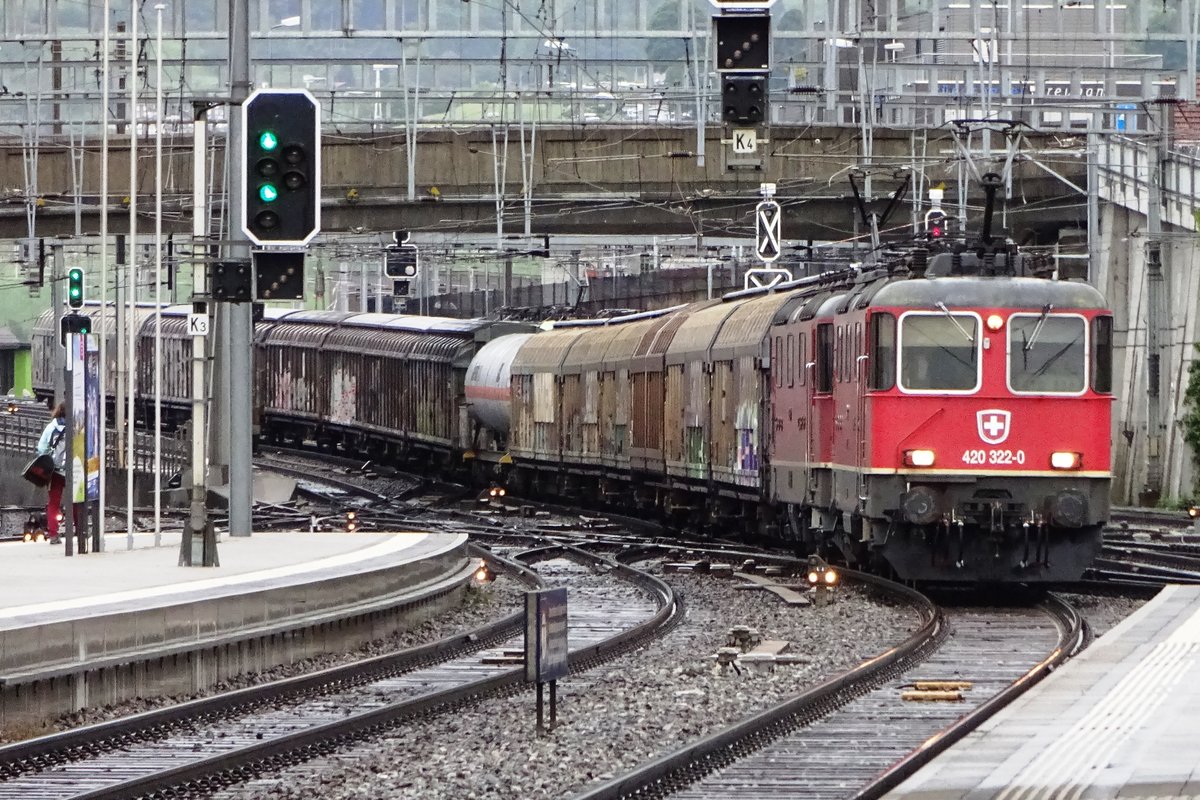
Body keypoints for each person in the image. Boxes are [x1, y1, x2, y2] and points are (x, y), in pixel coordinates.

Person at [36, 402, 68, 543]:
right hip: (74, 469)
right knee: (76, 501)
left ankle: (54, 534)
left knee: (53, 503)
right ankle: (80, 529)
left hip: (55, 471)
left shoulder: (51, 427)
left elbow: (41, 448)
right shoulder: (77, 426)